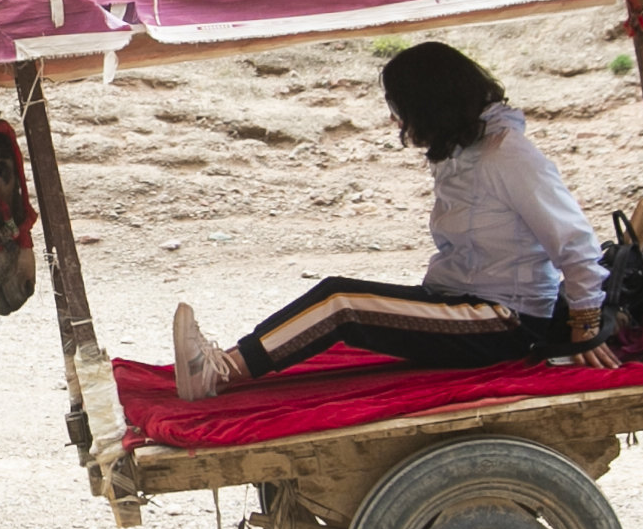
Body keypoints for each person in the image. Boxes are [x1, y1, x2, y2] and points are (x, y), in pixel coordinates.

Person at [170, 41, 615, 400]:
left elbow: (575, 245)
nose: (395, 118)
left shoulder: (508, 155)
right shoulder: (467, 153)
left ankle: (221, 372)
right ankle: (224, 364)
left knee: (341, 302)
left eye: (400, 106)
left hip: (507, 323)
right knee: (342, 299)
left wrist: (585, 330)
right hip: (465, 304)